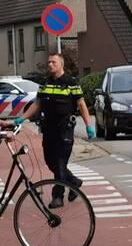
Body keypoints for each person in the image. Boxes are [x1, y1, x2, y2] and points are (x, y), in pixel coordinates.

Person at [2, 53, 94, 208]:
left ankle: (57, 196)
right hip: (48, 130)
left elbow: (81, 104)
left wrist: (88, 125)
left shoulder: (71, 83)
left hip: (65, 130)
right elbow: (37, 104)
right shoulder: (45, 83)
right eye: (49, 62)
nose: (50, 64)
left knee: (59, 163)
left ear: (61, 64)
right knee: (50, 162)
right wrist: (21, 119)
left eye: (53, 62)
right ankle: (74, 182)